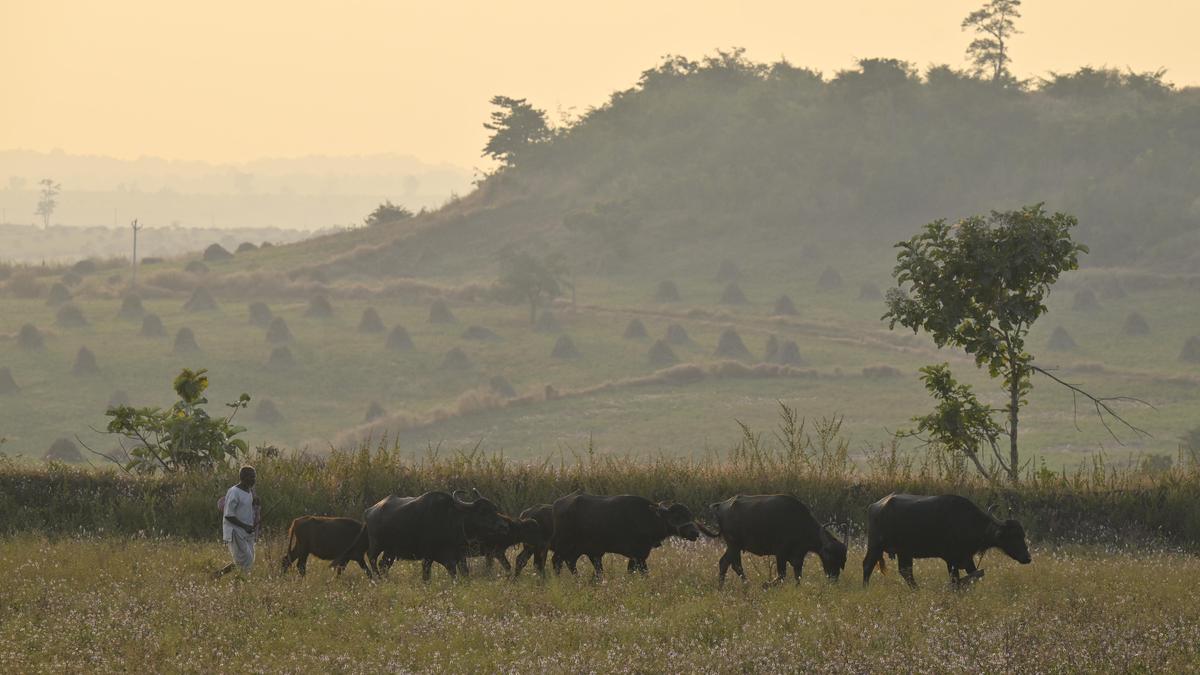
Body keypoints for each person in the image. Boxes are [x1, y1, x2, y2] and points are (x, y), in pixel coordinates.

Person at [214, 466, 258, 577]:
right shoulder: (234, 492)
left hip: (247, 531)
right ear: (243, 477)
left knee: (246, 560)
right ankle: (240, 585)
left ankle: (219, 575)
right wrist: (245, 526)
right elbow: (228, 515)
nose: (254, 480)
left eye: (254, 477)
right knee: (246, 560)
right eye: (251, 477)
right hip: (235, 531)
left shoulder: (249, 491)